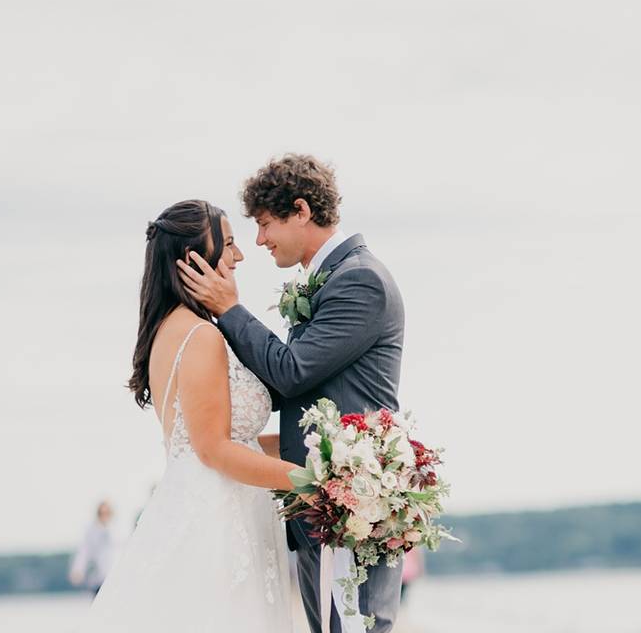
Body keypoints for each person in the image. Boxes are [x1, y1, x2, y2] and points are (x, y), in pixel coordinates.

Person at [179, 154, 406, 633]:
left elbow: (292, 372)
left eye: (264, 224)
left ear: (300, 210)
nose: (259, 240)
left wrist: (230, 309)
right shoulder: (331, 280)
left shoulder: (359, 280)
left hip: (350, 508)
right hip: (321, 510)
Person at [76, 199, 297, 633]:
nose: (239, 255)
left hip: (215, 506)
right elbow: (213, 449)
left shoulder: (171, 329)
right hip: (218, 521)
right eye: (230, 243)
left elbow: (225, 438)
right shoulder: (200, 336)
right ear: (194, 257)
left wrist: (320, 453)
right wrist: (308, 483)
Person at [68, 501, 116, 596]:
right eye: (101, 513)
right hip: (99, 579)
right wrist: (78, 570)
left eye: (107, 513)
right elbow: (84, 552)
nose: (104, 516)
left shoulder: (118, 530)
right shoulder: (91, 531)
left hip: (115, 577)